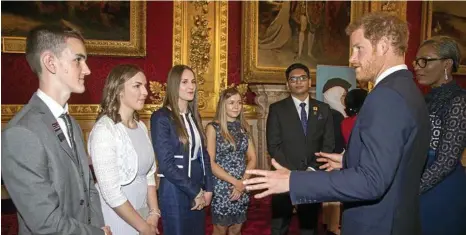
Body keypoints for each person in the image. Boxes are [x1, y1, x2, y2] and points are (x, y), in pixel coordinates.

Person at [244, 12, 431, 235]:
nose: (351, 59)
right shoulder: (407, 90)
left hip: (377, 224)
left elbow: (372, 181)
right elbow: (396, 159)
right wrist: (349, 160)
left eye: (358, 48)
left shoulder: (386, 96)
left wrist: (294, 181)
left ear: (382, 46)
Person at [1, 25, 110, 234]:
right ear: (50, 62)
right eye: (78, 59)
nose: (87, 70)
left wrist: (96, 227)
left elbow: (89, 189)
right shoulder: (21, 133)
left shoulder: (72, 123)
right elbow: (46, 222)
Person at [87, 64, 160, 235]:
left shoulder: (141, 126)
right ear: (119, 90)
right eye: (137, 86)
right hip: (117, 215)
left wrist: (154, 214)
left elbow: (149, 175)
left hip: (142, 212)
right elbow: (111, 192)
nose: (145, 92)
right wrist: (143, 227)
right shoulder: (104, 130)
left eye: (145, 86)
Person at [266, 62, 335, 235]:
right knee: (279, 226)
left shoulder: (324, 109)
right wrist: (292, 172)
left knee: (309, 226)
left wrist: (311, 169)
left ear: (309, 82)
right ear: (287, 84)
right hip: (283, 175)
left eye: (302, 78)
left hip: (311, 176)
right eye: (293, 79)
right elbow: (273, 145)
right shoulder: (277, 109)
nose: (298, 82)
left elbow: (328, 144)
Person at [150, 64, 214, 235]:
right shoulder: (161, 117)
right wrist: (195, 191)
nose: (191, 86)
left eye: (193, 82)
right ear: (173, 85)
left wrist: (208, 188)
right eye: (184, 82)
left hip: (198, 186)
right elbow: (165, 164)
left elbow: (204, 155)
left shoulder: (195, 116)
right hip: (174, 189)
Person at [413, 36, 466, 235]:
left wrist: (411, 189)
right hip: (420, 183)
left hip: (442, 191)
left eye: (425, 61)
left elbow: (446, 162)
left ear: (447, 64)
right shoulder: (425, 99)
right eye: (416, 61)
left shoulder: (459, 101)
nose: (418, 66)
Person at [206, 87, 257, 235]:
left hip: (243, 185)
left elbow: (253, 158)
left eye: (239, 102)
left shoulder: (244, 127)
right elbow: (211, 163)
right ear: (223, 105)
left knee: (237, 229)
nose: (236, 106)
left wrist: (243, 182)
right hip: (223, 187)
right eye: (231, 103)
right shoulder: (213, 128)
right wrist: (236, 183)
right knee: (220, 229)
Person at [322, 77, 352, 153]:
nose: (346, 99)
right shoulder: (336, 116)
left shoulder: (326, 112)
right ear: (334, 97)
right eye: (344, 95)